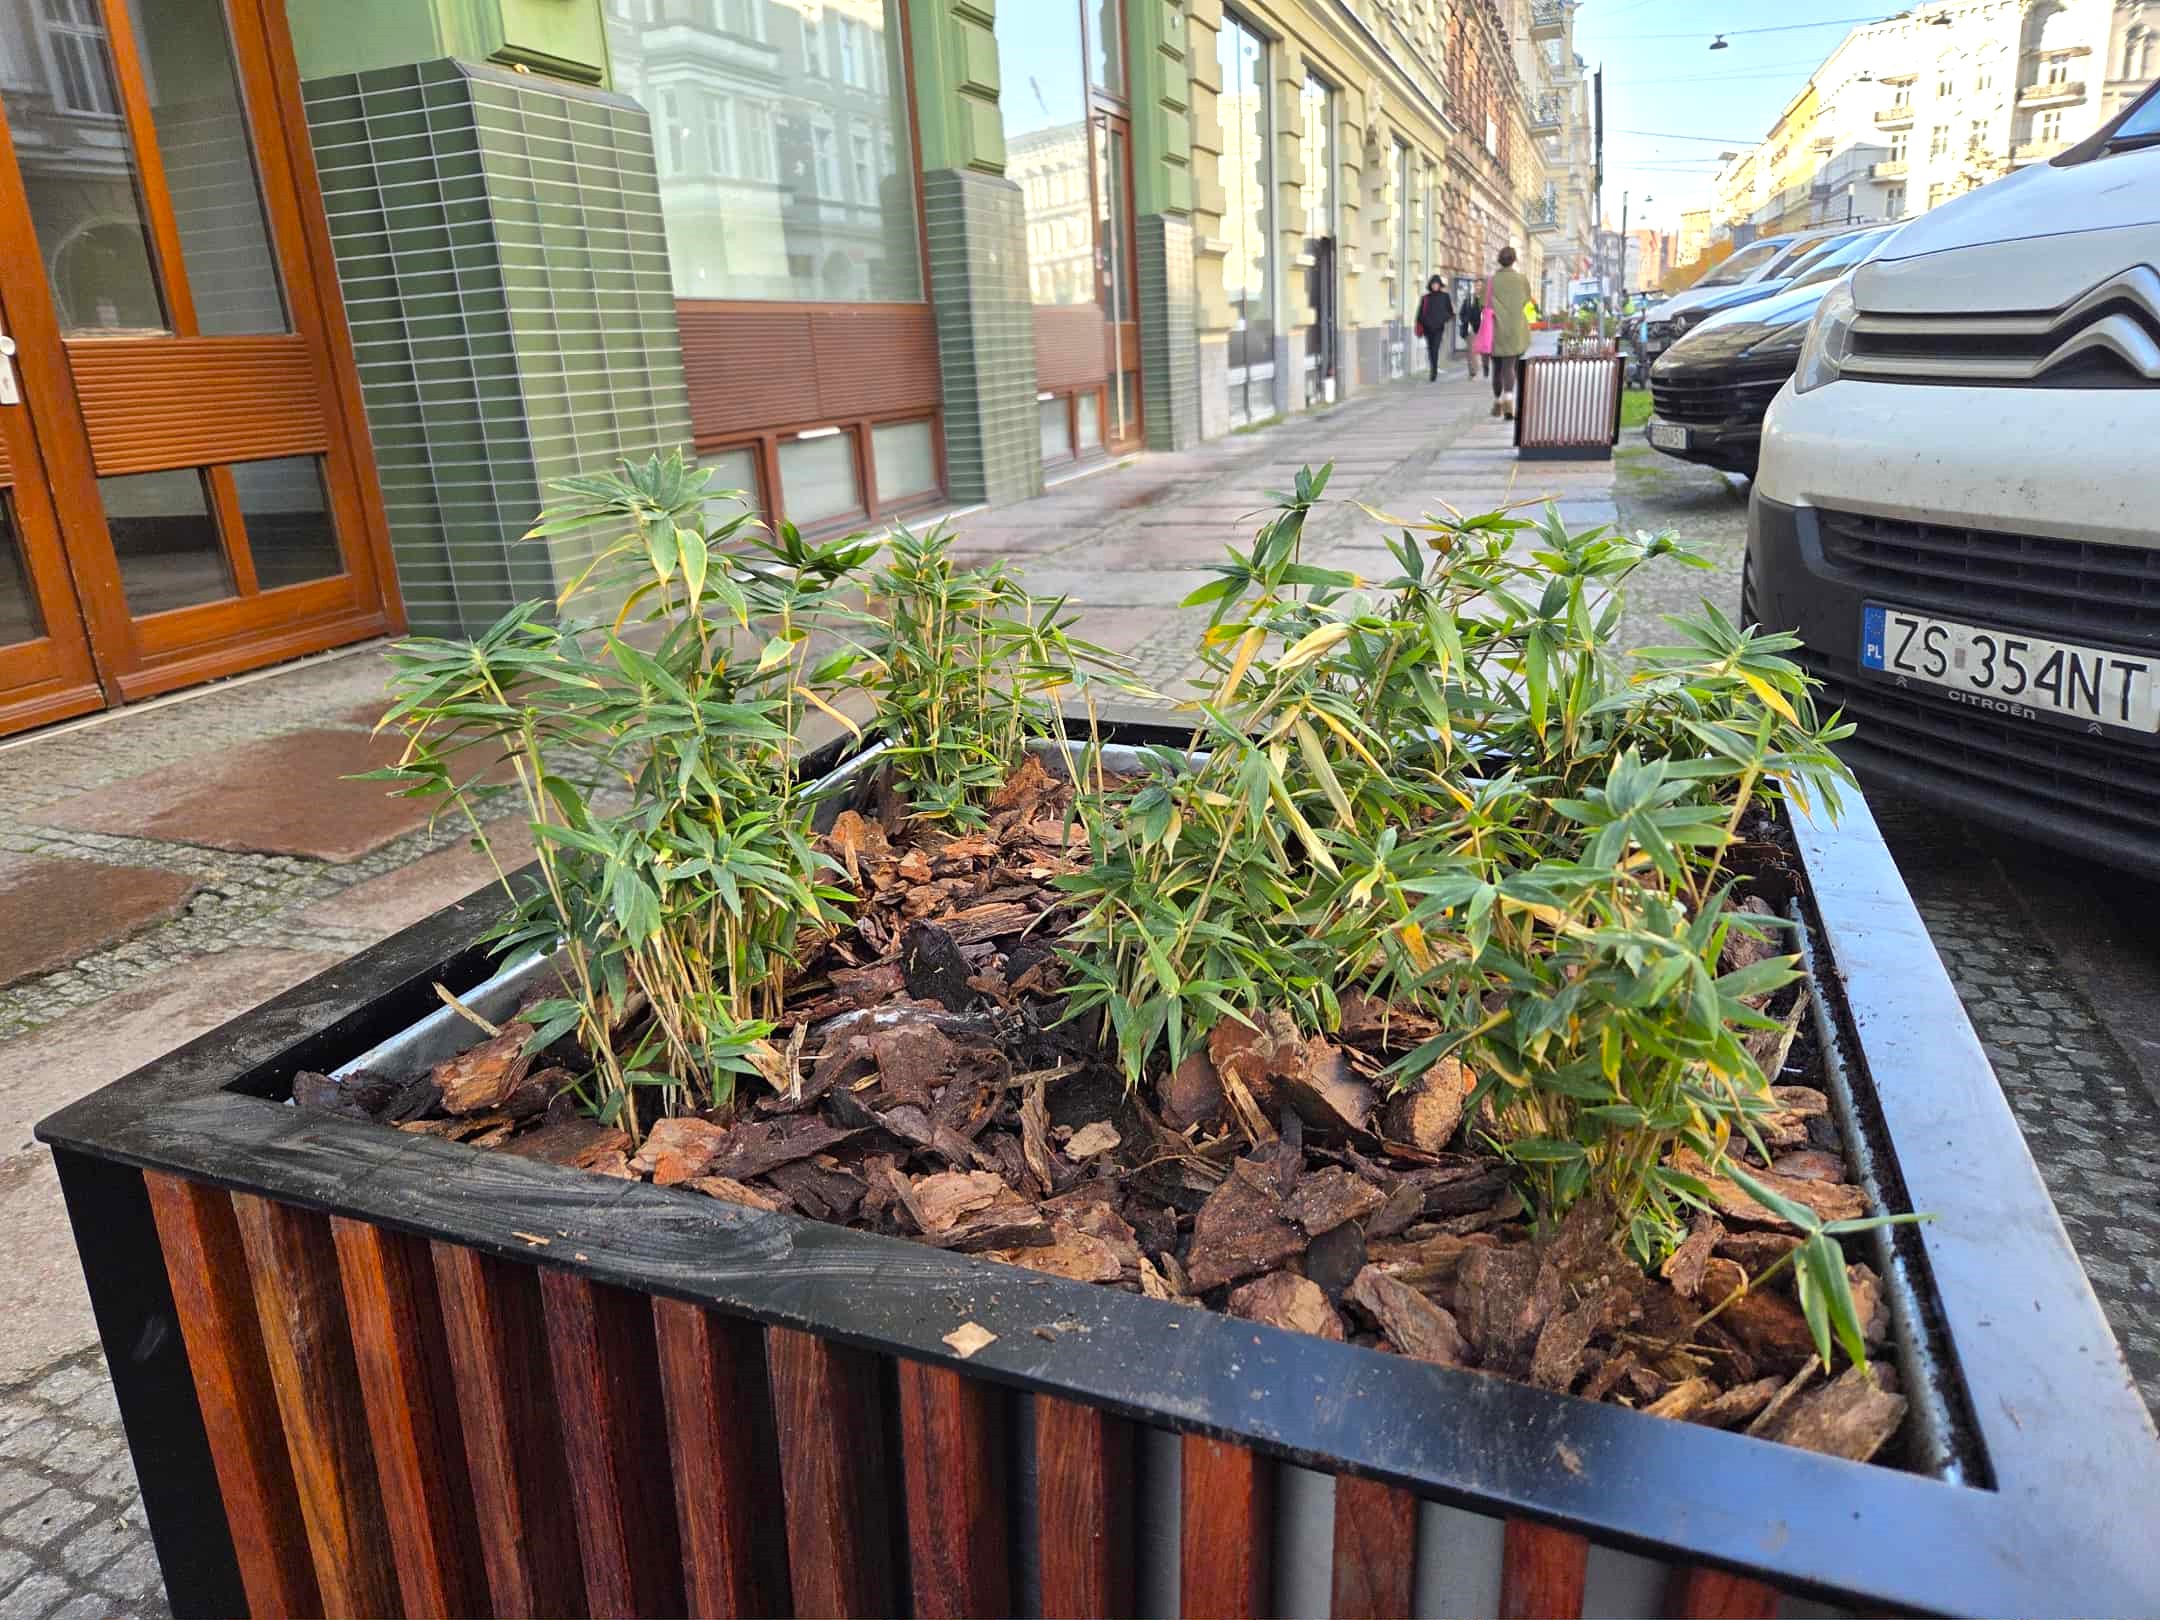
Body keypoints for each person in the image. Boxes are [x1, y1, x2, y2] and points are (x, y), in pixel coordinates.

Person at [1488, 245, 1533, 419]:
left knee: (1497, 368)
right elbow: (1527, 299)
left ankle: (1497, 403)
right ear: (1514, 260)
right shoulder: (1522, 280)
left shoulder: (1491, 281)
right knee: (1510, 366)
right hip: (1515, 328)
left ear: (1499, 260)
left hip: (1495, 329)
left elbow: (1483, 303)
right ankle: (1509, 400)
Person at [1414, 276, 1454, 382]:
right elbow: (1420, 313)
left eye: (1436, 284)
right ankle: (1433, 367)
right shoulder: (1426, 297)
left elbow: (1450, 312)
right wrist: (1424, 322)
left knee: (1435, 348)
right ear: (1430, 285)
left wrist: (1443, 319)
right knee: (1431, 349)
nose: (1435, 286)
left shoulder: (1445, 296)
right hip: (1428, 328)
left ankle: (1434, 370)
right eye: (1433, 284)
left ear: (1440, 285)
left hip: (1438, 328)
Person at [1457, 282, 1483, 379]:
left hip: (1482, 329)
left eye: (1480, 286)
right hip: (1471, 329)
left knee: (1477, 351)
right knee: (1471, 351)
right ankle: (1473, 372)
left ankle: (1476, 367)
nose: (1478, 287)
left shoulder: (1486, 300)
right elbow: (1462, 313)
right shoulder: (1468, 299)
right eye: (1476, 286)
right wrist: (1466, 321)